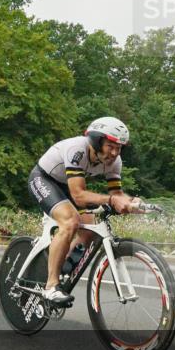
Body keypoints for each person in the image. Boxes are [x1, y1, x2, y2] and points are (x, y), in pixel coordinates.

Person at [28, 117, 138, 305]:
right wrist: (112, 200)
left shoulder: (115, 162)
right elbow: (78, 195)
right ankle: (51, 286)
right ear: (96, 141)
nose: (114, 153)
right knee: (71, 221)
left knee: (89, 230)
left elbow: (117, 194)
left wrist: (133, 203)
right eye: (110, 146)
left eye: (118, 148)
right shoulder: (77, 149)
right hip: (44, 180)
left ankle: (62, 266)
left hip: (68, 187)